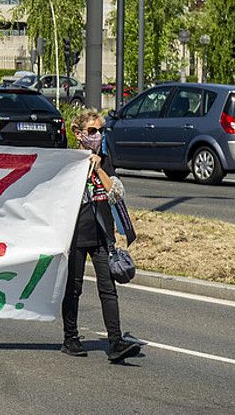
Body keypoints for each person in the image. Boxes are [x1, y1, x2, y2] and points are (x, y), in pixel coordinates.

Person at [62, 110, 141, 363]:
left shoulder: (104, 160)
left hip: (102, 235)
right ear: (79, 134)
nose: (97, 136)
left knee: (108, 289)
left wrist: (98, 170)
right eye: (92, 131)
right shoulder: (69, 161)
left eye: (100, 131)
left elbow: (116, 193)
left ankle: (115, 341)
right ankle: (70, 338)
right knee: (74, 289)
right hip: (76, 235)